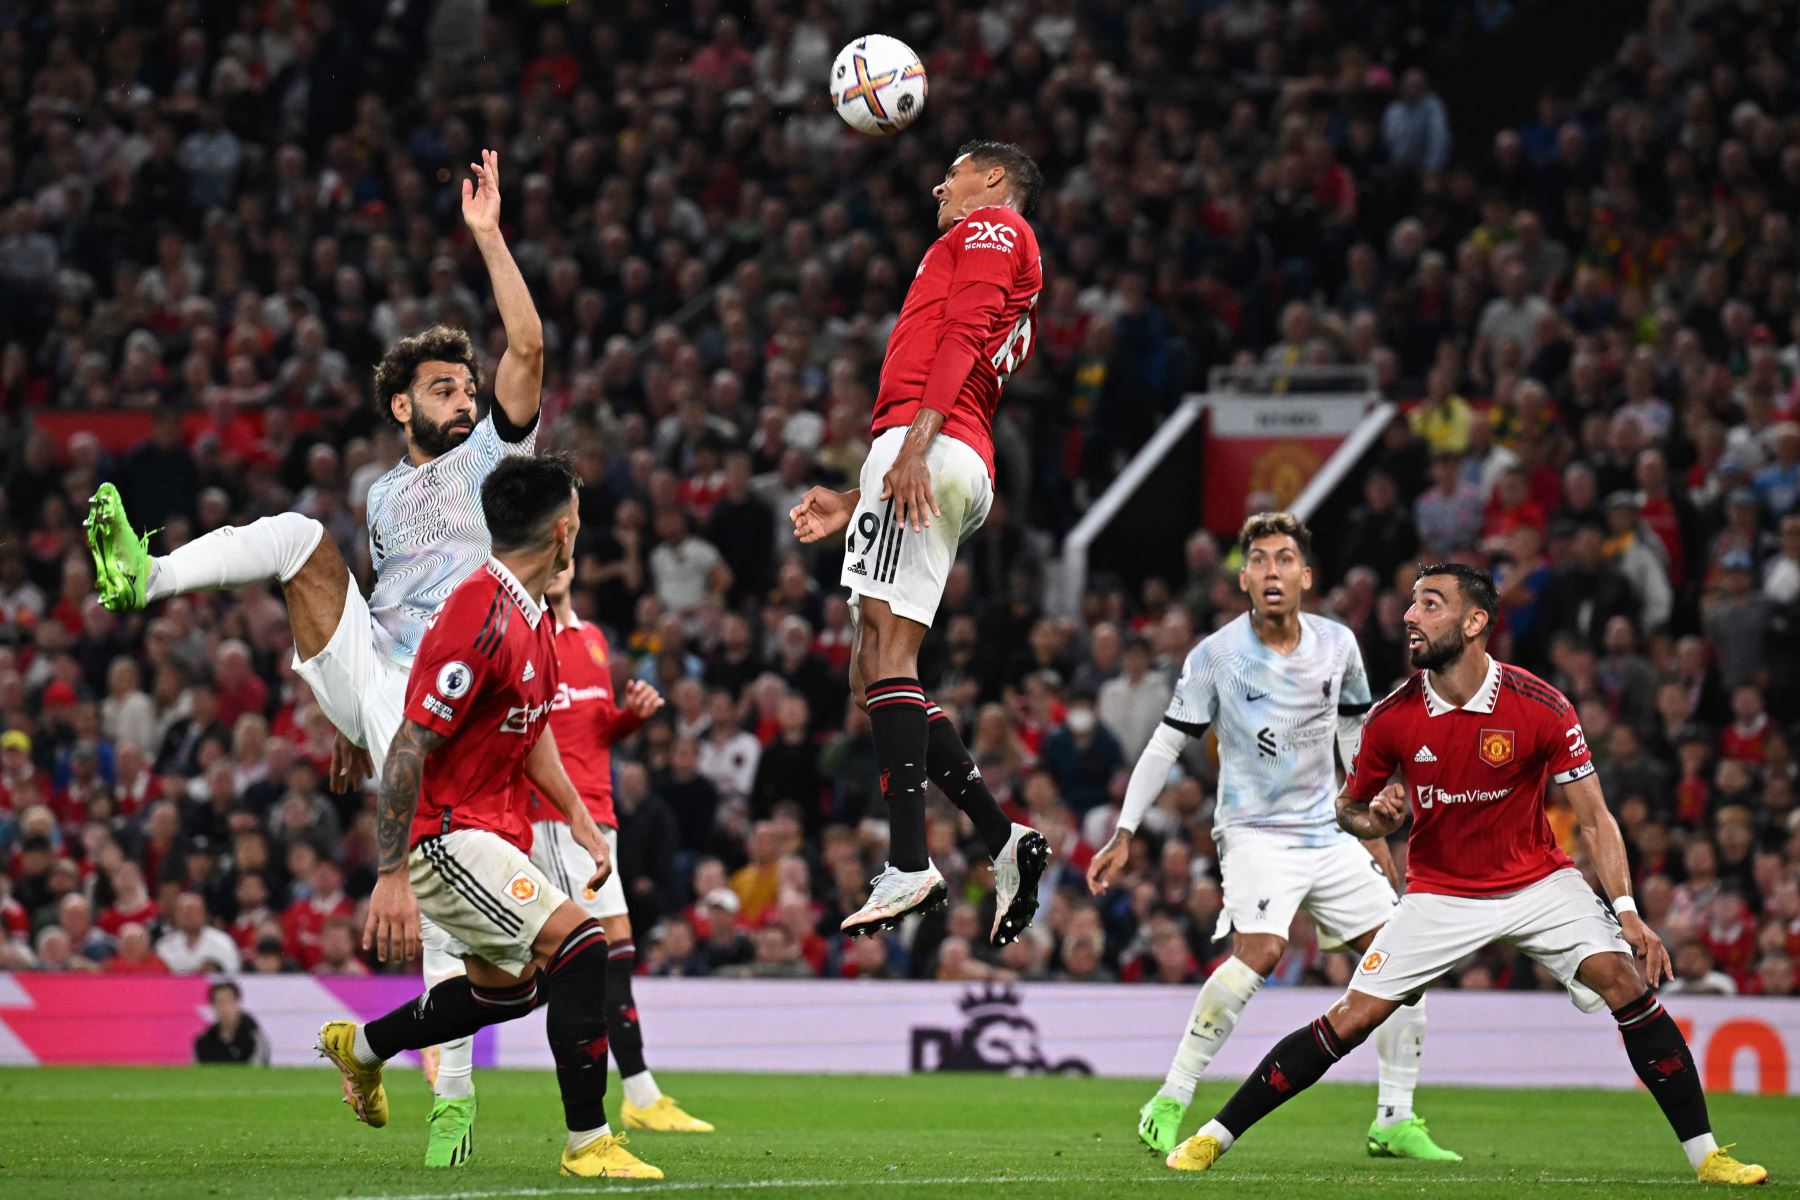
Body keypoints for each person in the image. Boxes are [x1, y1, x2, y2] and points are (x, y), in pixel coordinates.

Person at [86, 151, 542, 1168]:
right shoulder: (383, 498)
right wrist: (344, 716)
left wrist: (486, 236)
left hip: (462, 687)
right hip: (388, 672)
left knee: (453, 906)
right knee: (297, 534)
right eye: (442, 387)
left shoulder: (491, 459)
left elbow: (528, 344)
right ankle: (140, 578)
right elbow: (385, 601)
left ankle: (452, 1099)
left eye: (467, 387)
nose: (464, 398)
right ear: (401, 408)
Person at [1164, 564, 1766, 1186]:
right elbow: (1347, 809)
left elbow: (1594, 817)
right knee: (1353, 1018)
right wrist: (1374, 818)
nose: (1409, 616)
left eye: (1431, 604)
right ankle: (1213, 1137)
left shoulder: (1540, 705)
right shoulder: (1393, 716)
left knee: (1623, 981)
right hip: (1440, 892)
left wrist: (1629, 909)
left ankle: (1707, 1158)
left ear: (1475, 622)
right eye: (1412, 604)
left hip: (1538, 883)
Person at [316, 454, 661, 1180]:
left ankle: (363, 1048)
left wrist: (578, 818)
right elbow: (410, 744)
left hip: (492, 830)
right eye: (579, 518)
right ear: (563, 529)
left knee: (508, 992)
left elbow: (530, 731)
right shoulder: (479, 612)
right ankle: (588, 1141)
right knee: (582, 948)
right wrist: (390, 876)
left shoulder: (532, 617)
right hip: (446, 837)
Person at [1088, 513, 1456, 1163]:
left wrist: (1368, 827)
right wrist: (1124, 830)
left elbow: (1354, 742)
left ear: (1306, 577)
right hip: (1255, 833)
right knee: (1261, 951)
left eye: (1284, 559)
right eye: (1258, 560)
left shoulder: (1339, 646)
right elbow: (1167, 743)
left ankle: (1394, 1118)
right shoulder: (1216, 656)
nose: (1271, 571)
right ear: (1243, 579)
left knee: (1404, 960)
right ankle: (1171, 1097)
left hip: (1328, 830)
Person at [789, 141, 1050, 943]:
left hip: (930, 447)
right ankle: (1003, 838)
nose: (940, 183)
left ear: (996, 180)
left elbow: (965, 339)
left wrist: (907, 452)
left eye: (957, 169)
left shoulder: (995, 232)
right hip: (932, 449)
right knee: (872, 661)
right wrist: (857, 492)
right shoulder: (988, 247)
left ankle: (911, 864)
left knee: (888, 656)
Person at [513, 560, 713, 1133]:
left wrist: (631, 718)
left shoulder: (595, 639)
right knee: (585, 954)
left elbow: (593, 726)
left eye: (566, 557)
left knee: (606, 955)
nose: (556, 568)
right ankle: (443, 1024)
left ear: (574, 567)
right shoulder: (527, 636)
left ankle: (639, 1095)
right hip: (555, 815)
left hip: (600, 815)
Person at [194, 981, 269, 1065]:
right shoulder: (204, 1040)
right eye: (220, 1002)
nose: (224, 1007)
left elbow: (258, 1067)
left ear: (238, 1003)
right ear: (213, 1006)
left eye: (229, 1001)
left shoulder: (253, 1036)